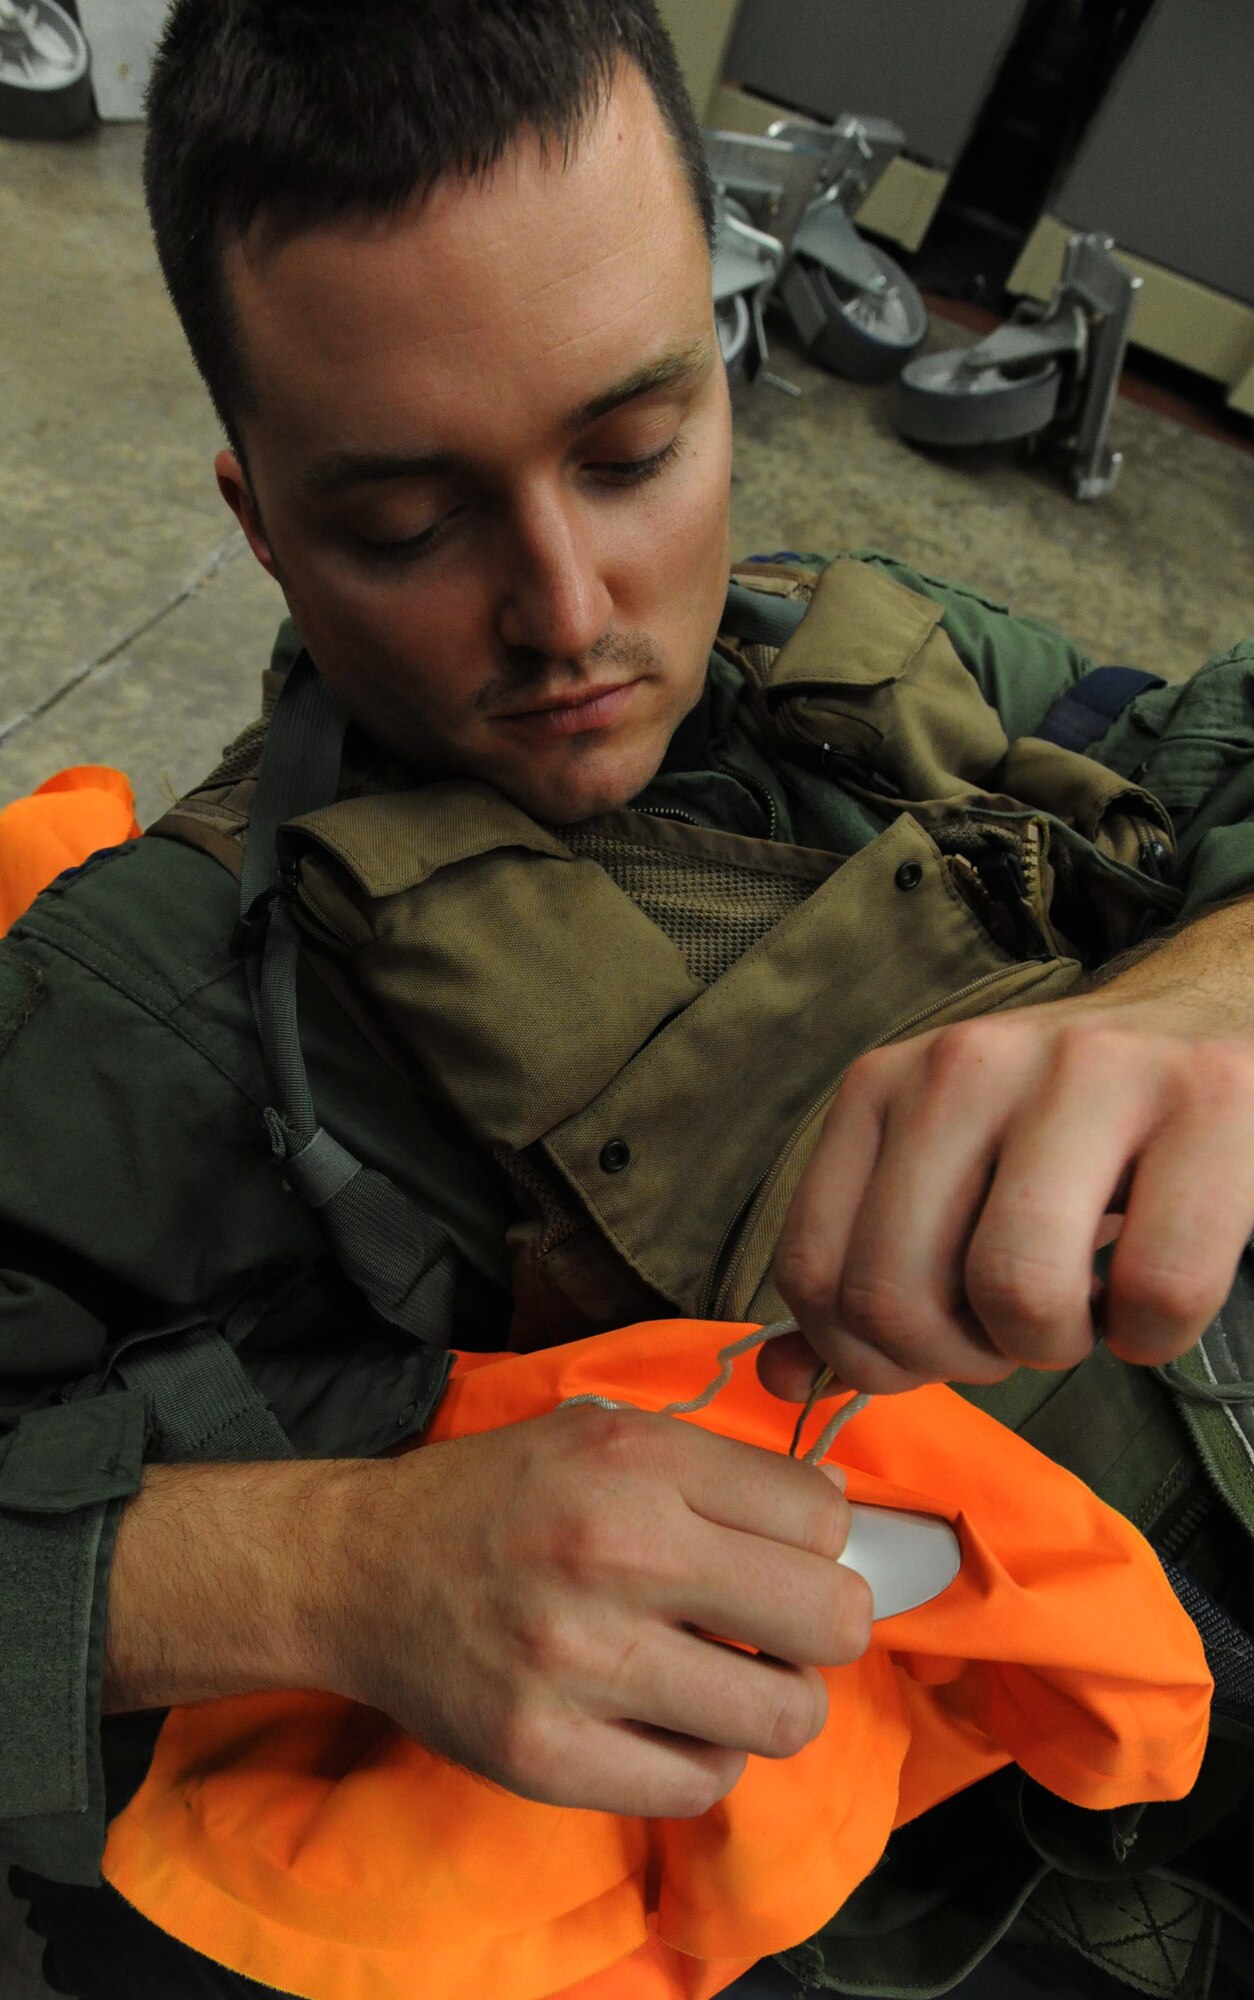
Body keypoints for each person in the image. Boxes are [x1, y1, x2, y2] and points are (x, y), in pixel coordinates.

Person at [1, 3, 1252, 1997]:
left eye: (636, 450)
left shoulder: (882, 661)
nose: (571, 609)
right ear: (258, 526)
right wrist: (339, 1567)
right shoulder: (161, 1014)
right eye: (406, 524)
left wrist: (1213, 993)